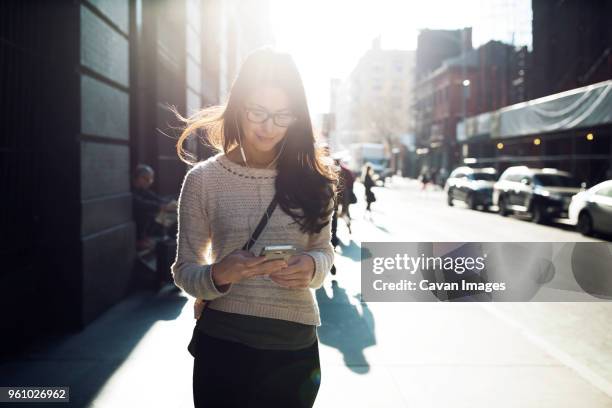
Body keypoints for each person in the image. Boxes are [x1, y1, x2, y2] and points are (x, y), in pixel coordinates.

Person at [171, 48, 337, 408]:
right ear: (238, 107)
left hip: (293, 346)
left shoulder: (317, 182)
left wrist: (312, 266)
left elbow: (324, 250)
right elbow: (185, 270)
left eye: (282, 116)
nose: (268, 127)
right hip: (224, 344)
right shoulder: (203, 180)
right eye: (257, 112)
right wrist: (219, 273)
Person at [132, 164, 177, 250]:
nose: (149, 182)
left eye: (150, 179)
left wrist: (168, 204)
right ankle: (141, 240)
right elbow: (140, 203)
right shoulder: (131, 189)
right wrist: (160, 207)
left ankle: (161, 235)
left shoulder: (143, 190)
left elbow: (155, 198)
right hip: (135, 217)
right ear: (139, 178)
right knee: (147, 214)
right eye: (147, 179)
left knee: (168, 213)